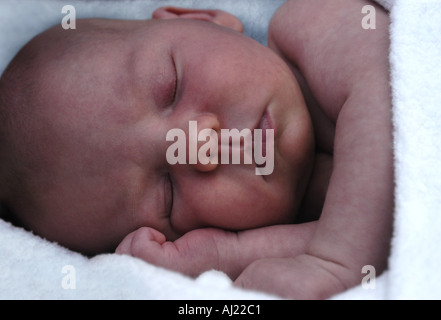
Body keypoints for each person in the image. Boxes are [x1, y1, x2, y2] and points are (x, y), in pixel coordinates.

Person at [0, 0, 393, 299]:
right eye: (167, 194)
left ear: (199, 19)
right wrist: (224, 255)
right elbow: (382, 226)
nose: (198, 145)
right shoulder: (317, 230)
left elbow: (387, 91)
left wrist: (335, 263)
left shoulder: (311, 24)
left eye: (171, 88)